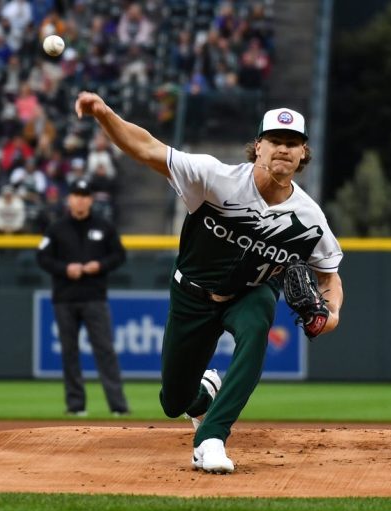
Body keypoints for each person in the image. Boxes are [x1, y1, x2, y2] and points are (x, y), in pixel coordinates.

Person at [75, 92, 344, 474]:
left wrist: (331, 312)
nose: (283, 149)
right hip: (192, 294)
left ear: (303, 153)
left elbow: (329, 275)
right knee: (174, 401)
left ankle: (212, 438)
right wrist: (104, 114)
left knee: (257, 325)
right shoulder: (215, 179)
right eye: (275, 141)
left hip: (250, 293)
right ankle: (203, 397)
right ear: (258, 147)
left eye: (292, 143)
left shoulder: (308, 218)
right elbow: (147, 148)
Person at [36, 178, 130, 417]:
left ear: (90, 200)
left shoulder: (104, 227)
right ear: (70, 199)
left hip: (94, 296)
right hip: (65, 297)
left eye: (84, 195)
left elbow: (119, 255)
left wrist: (99, 265)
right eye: (76, 195)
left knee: (105, 350)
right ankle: (76, 405)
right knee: (69, 352)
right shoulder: (56, 228)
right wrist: (65, 268)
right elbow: (43, 258)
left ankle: (118, 406)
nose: (80, 199)